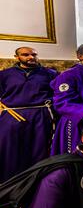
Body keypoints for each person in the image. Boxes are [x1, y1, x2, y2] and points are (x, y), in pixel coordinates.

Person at [0, 47, 57, 183]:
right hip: (11, 116)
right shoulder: (4, 75)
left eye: (34, 54)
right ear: (16, 57)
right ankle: (8, 184)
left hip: (41, 115)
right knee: (8, 149)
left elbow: (57, 95)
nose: (31, 57)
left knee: (38, 150)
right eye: (25, 55)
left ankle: (35, 182)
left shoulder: (50, 74)